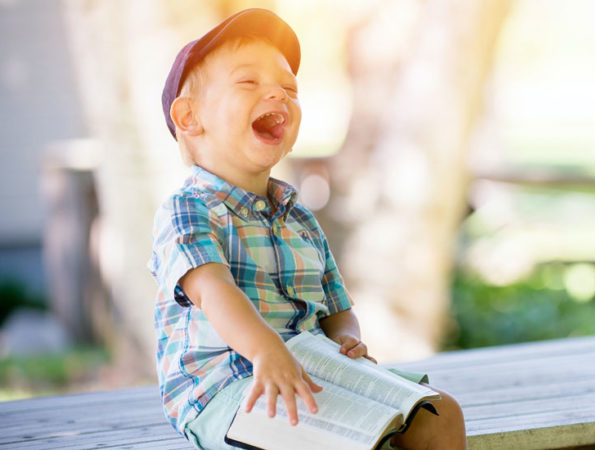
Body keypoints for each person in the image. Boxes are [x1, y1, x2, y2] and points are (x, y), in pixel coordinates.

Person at [148, 8, 466, 449]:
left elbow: (337, 308)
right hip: (228, 387)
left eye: (289, 88)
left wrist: (347, 338)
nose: (277, 94)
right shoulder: (188, 209)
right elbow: (214, 291)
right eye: (248, 81)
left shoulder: (300, 218)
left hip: (314, 372)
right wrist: (266, 350)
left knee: (441, 414)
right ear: (189, 117)